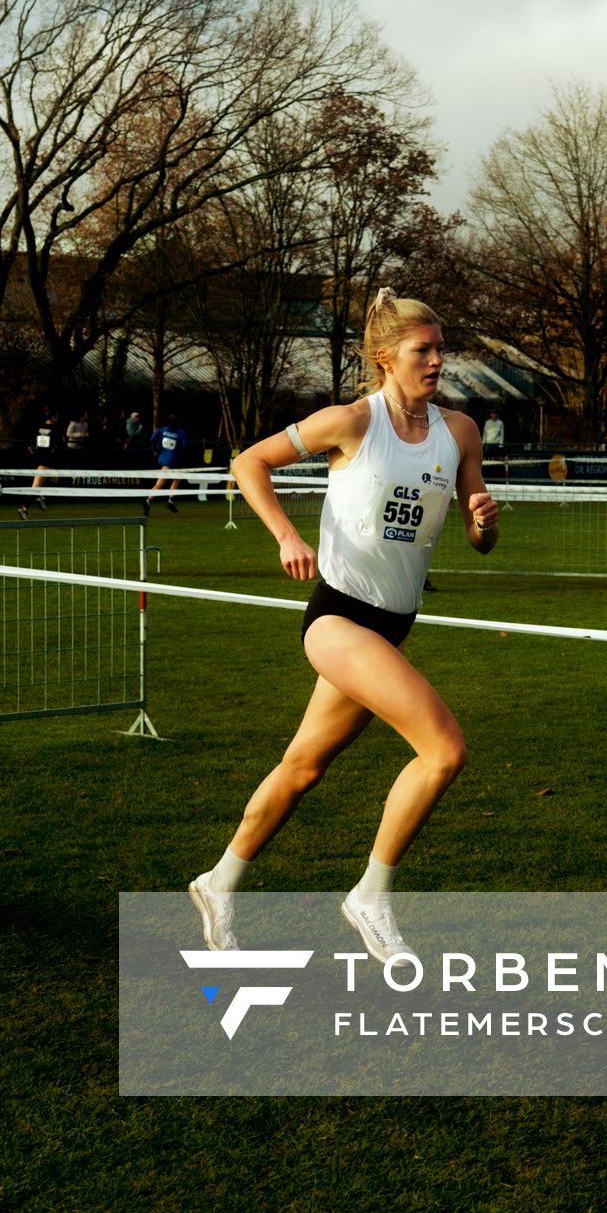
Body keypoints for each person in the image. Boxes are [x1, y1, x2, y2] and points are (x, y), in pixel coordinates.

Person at [188, 289, 499, 964]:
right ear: (386, 357)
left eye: (442, 348)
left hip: (391, 626)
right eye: (424, 350)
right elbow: (249, 463)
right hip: (337, 617)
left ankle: (219, 882)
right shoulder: (352, 422)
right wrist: (284, 536)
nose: (438, 361)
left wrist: (480, 524)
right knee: (443, 750)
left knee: (302, 768)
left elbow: (480, 543)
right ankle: (371, 896)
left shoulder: (461, 433)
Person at [18, 409, 61, 519]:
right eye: (56, 416)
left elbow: (32, 444)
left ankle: (40, 497)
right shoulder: (55, 429)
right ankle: (23, 508)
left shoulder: (39, 428)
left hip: (41, 459)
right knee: (35, 487)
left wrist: (32, 448)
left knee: (55, 479)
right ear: (53, 417)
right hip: (45, 461)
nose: (57, 418)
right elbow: (60, 442)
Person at [145, 413, 188, 514]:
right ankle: (148, 501)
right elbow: (185, 447)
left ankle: (170, 501)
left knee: (177, 479)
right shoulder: (181, 433)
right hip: (171, 461)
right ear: (179, 422)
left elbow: (152, 439)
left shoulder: (163, 430)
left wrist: (154, 449)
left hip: (163, 459)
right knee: (160, 483)